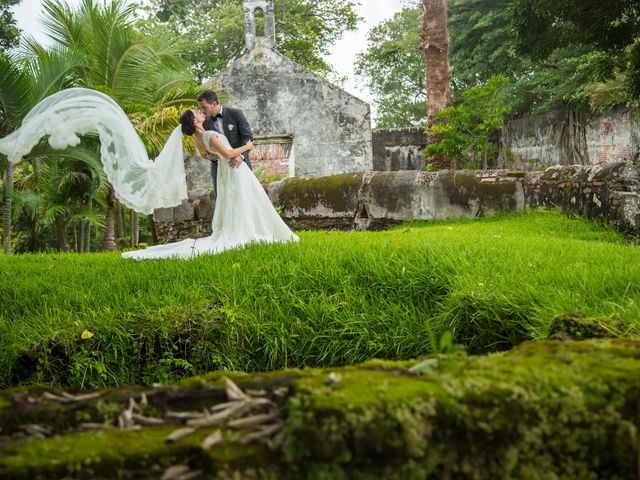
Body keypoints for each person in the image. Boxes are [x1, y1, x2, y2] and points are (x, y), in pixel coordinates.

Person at [121, 109, 299, 260]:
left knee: (240, 200)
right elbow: (228, 153)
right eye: (196, 112)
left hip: (226, 171)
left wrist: (218, 155)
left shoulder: (199, 138)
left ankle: (251, 228)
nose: (199, 111)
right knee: (247, 199)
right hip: (234, 171)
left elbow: (206, 155)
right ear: (195, 120)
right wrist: (247, 147)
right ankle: (251, 231)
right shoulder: (209, 135)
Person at [197, 90, 253, 196]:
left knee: (245, 198)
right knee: (222, 201)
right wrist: (211, 156)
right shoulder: (206, 123)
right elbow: (207, 148)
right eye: (200, 108)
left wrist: (241, 156)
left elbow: (248, 138)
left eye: (204, 107)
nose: (202, 110)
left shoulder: (236, 113)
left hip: (240, 165)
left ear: (214, 103)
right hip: (219, 169)